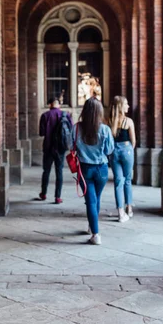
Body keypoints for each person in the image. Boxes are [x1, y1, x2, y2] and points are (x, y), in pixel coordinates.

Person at [73, 97, 114, 245]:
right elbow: (110, 150)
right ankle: (92, 226)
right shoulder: (105, 129)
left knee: (90, 201)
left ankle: (96, 234)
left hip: (84, 168)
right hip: (101, 169)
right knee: (96, 198)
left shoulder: (76, 128)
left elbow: (71, 147)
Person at [39, 97, 72, 204]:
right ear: (59, 104)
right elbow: (70, 130)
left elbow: (42, 133)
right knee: (59, 172)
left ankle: (43, 193)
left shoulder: (45, 115)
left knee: (46, 171)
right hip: (60, 148)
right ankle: (57, 197)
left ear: (50, 105)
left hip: (48, 147)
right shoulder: (65, 115)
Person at [108, 95, 137, 222]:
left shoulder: (108, 121)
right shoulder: (128, 121)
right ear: (120, 106)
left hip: (113, 151)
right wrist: (129, 149)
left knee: (118, 181)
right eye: (126, 104)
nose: (128, 106)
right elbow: (133, 141)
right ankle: (129, 208)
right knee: (128, 180)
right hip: (126, 150)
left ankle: (120, 212)